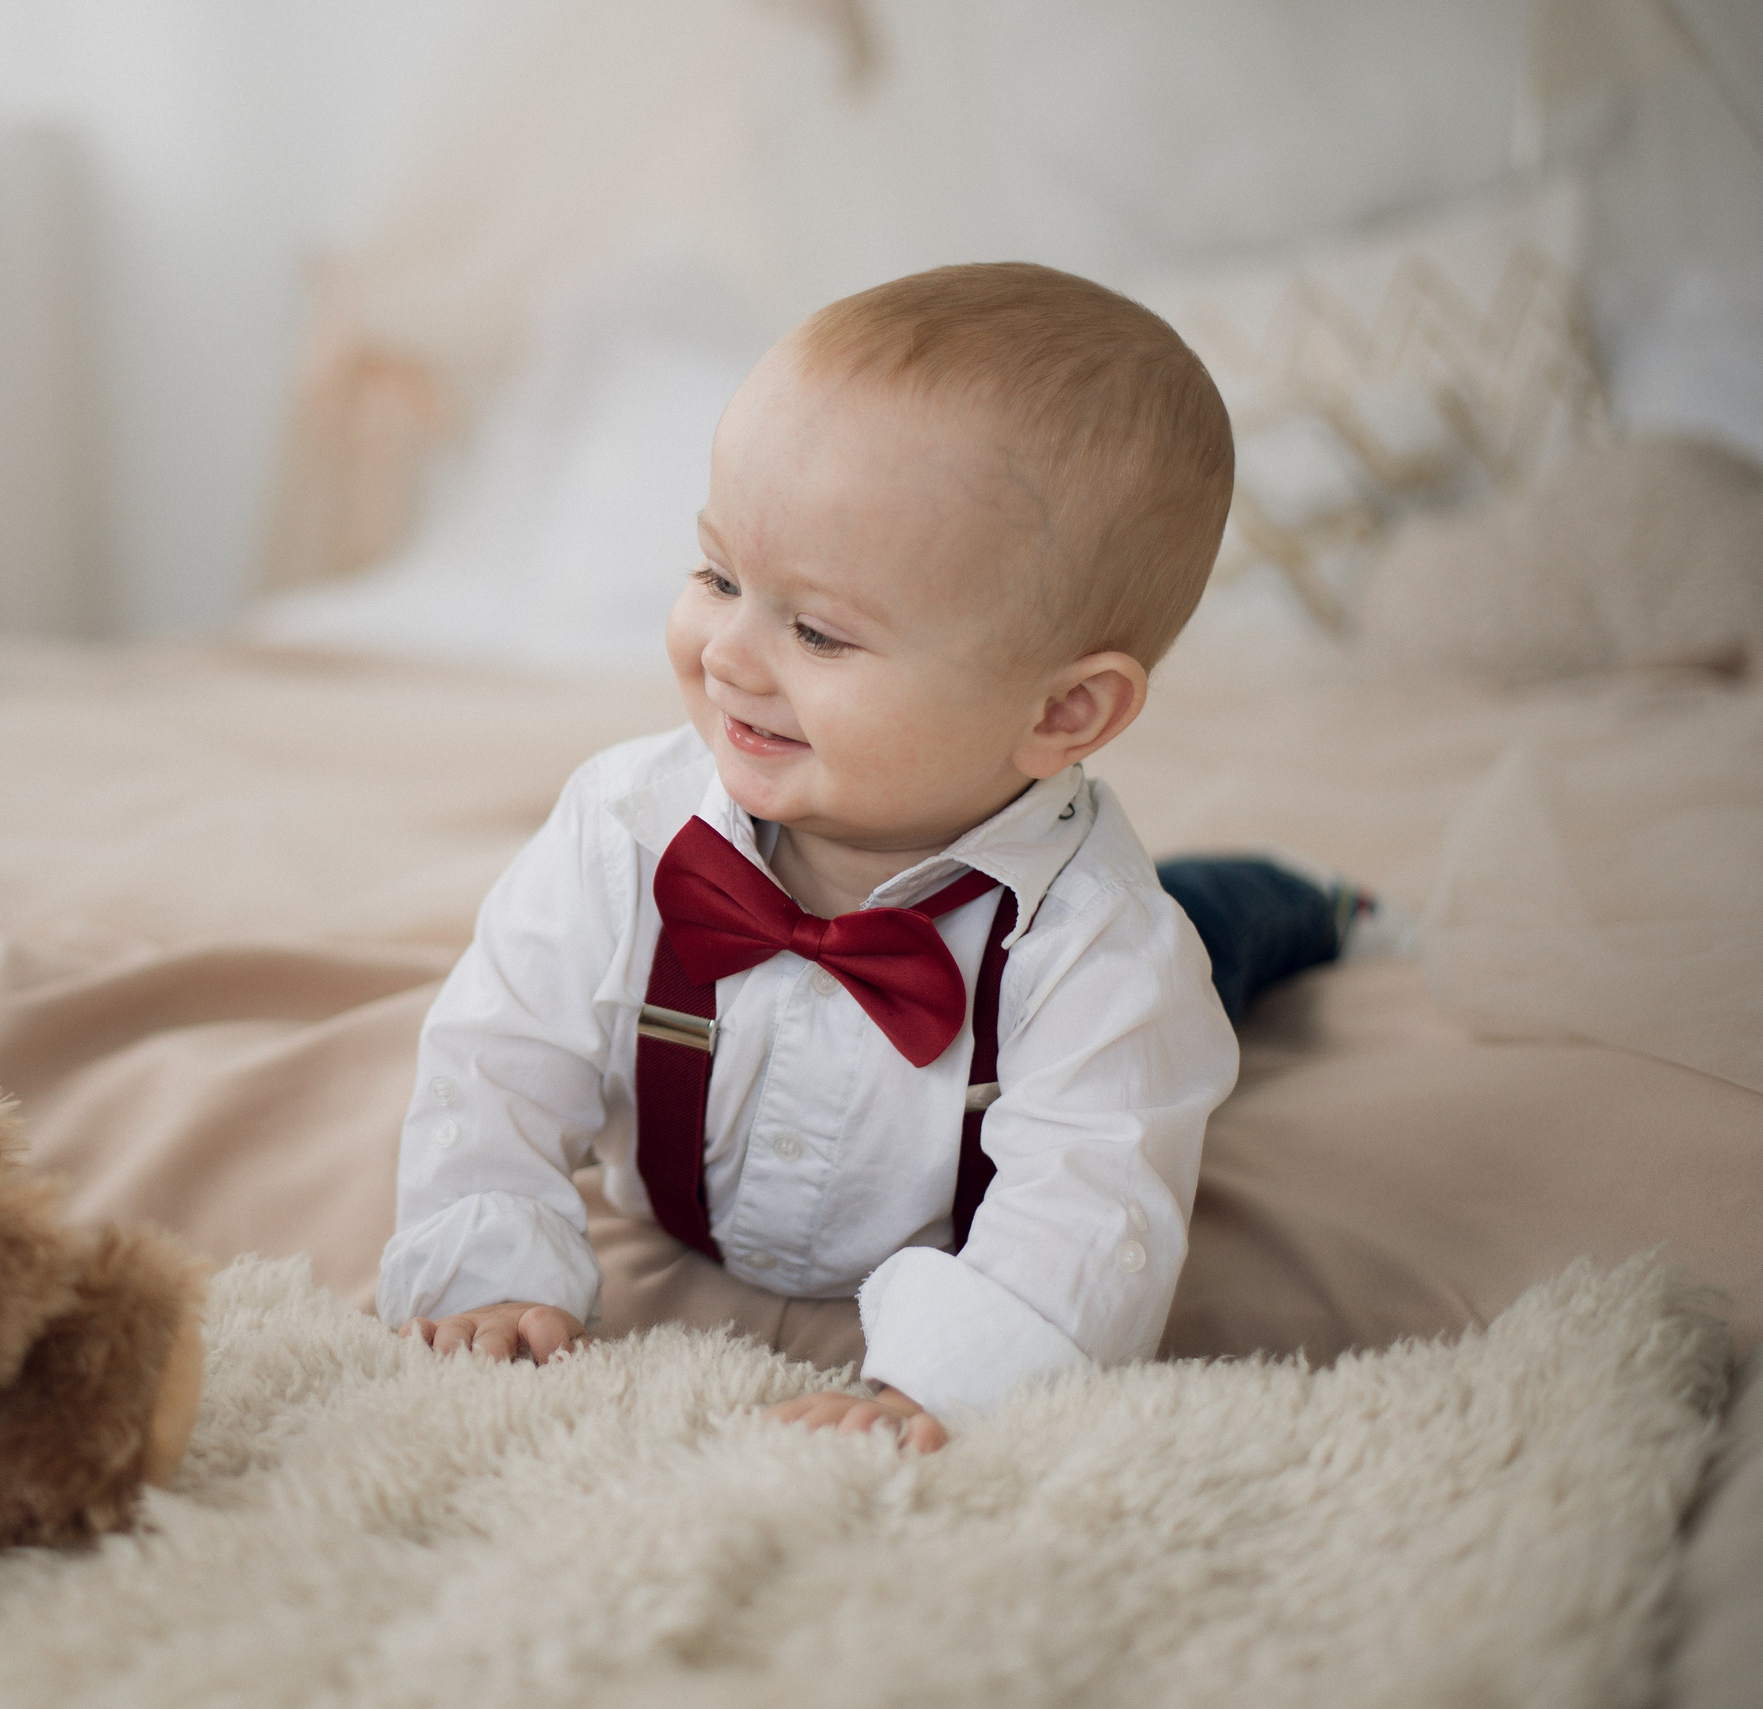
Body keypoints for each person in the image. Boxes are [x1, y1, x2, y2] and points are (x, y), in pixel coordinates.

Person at [377, 261, 1364, 1452]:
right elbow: (496, 1056)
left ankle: (1318, 897)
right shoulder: (624, 828)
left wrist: (947, 1379)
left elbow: (1090, 1204)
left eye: (818, 630)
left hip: (1127, 934)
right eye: (717, 575)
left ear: (1063, 714)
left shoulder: (1104, 947)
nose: (731, 655)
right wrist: (487, 1262)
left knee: (1218, 930)